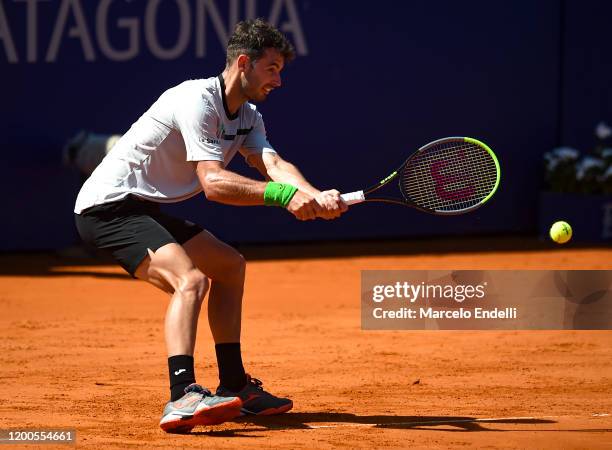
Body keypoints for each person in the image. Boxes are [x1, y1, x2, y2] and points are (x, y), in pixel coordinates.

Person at [73, 18, 347, 433]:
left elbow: (272, 165)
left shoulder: (249, 116)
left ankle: (237, 385)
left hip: (147, 208)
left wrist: (312, 193)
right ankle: (181, 395)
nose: (278, 81)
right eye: (271, 69)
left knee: (229, 265)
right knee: (192, 281)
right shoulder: (196, 100)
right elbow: (214, 184)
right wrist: (285, 197)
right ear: (244, 63)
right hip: (108, 208)